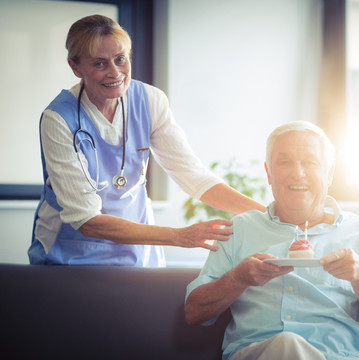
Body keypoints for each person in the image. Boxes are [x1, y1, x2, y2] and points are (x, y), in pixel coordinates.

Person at [28, 15, 265, 266]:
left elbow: (193, 176)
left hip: (138, 248)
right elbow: (86, 220)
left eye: (121, 59)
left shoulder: (150, 100)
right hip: (71, 252)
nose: (115, 72)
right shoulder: (58, 119)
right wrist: (179, 236)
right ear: (76, 68)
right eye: (99, 63)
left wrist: (268, 215)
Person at [185, 121, 359, 360]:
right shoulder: (238, 230)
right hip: (258, 355)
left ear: (330, 173)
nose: (297, 173)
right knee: (287, 345)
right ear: (269, 173)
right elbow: (194, 312)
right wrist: (238, 278)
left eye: (310, 162)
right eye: (284, 162)